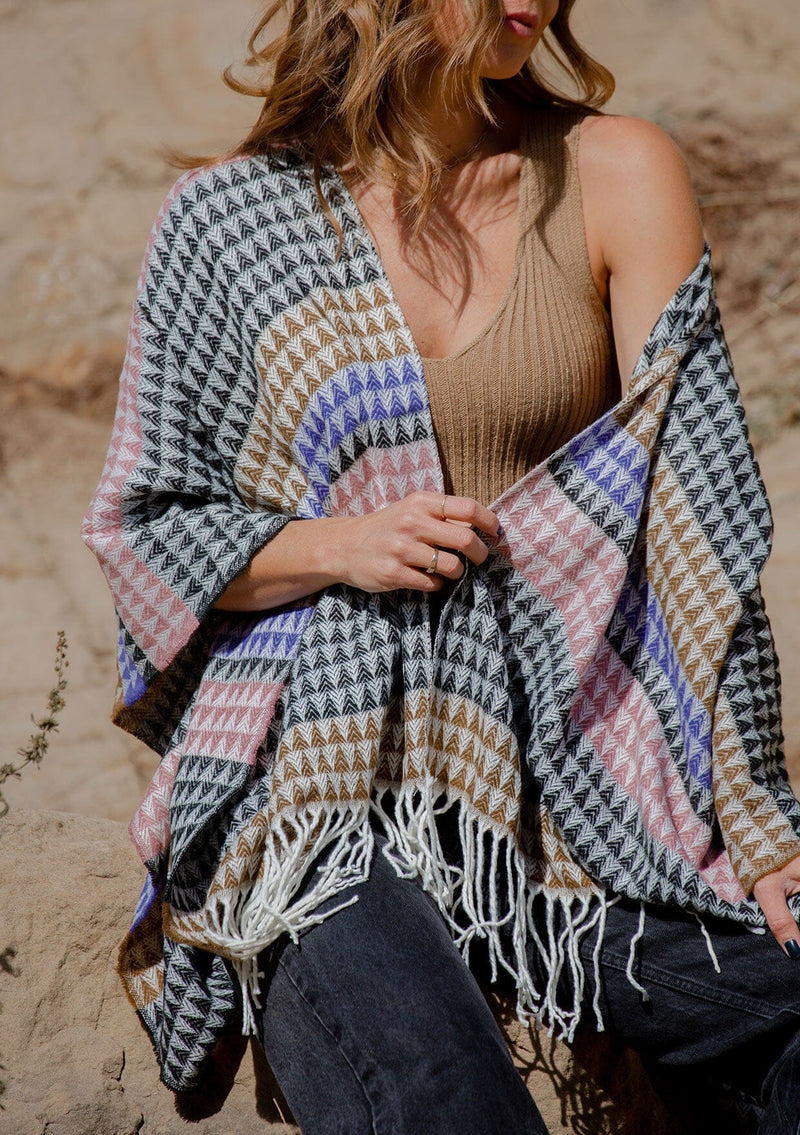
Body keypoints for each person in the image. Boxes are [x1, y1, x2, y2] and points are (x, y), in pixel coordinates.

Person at [82, 1, 800, 1131]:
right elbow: (146, 528)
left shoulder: (612, 172)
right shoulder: (230, 220)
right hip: (317, 791)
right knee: (441, 1102)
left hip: (575, 764)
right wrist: (336, 546)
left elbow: (695, 523)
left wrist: (756, 814)